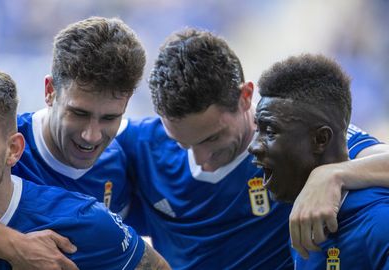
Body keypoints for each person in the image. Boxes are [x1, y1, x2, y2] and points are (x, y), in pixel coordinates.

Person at [115, 29, 389, 269]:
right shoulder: (141, 144)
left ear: (245, 97)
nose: (201, 160)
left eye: (211, 139)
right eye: (181, 144)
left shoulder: (291, 144)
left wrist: (332, 174)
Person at [0, 16, 146, 269]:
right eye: (79, 113)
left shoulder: (122, 160)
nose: (92, 135)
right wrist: (17, 246)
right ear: (50, 91)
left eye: (110, 117)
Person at [249, 54, 389, 269]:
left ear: (320, 139)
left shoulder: (378, 223)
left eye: (270, 131)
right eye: (258, 129)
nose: (254, 146)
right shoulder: (305, 213)